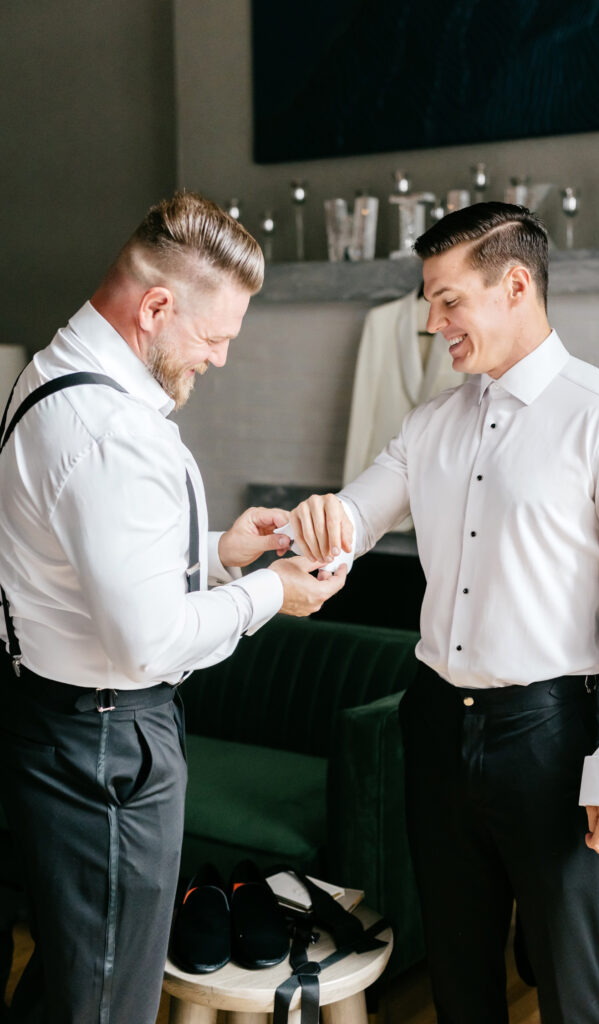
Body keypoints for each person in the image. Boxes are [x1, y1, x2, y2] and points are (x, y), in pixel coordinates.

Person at [286, 202, 599, 1024]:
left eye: (446, 299)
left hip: (547, 736)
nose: (431, 324)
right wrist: (315, 526)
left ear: (513, 284)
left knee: (571, 980)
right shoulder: (427, 424)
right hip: (430, 724)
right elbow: (353, 519)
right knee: (461, 976)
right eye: (427, 302)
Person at [0, 191, 346, 1024]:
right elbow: (150, 642)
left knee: (73, 974)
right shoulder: (113, 430)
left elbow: (83, 554)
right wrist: (273, 591)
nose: (219, 359)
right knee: (109, 997)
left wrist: (219, 547)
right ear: (156, 306)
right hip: (108, 749)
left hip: (57, 727)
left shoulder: (53, 373)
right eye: (214, 337)